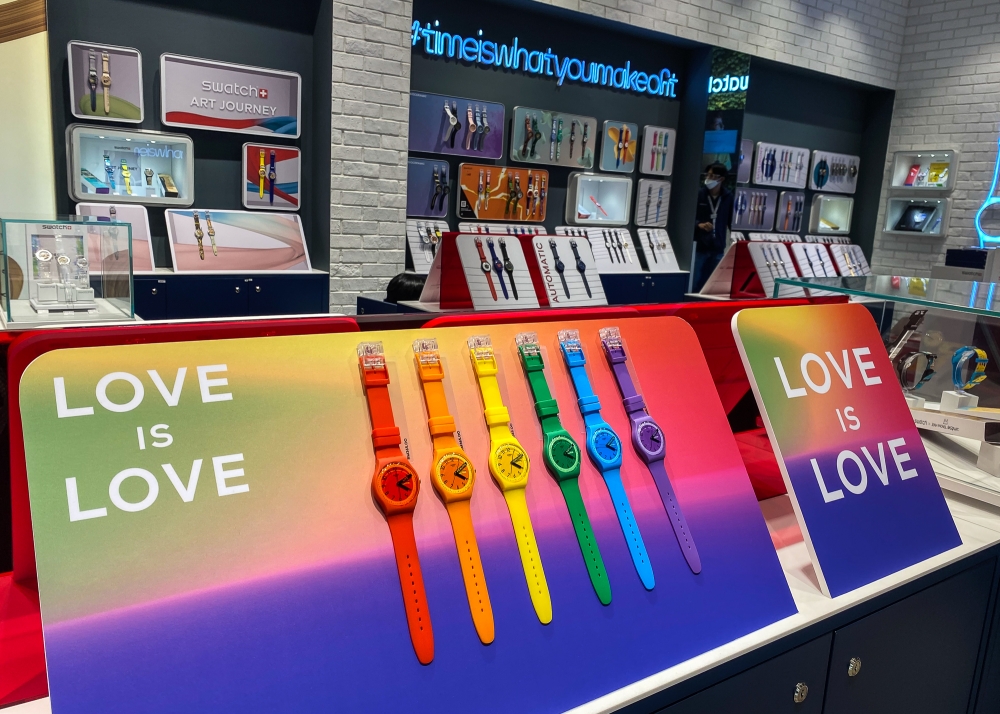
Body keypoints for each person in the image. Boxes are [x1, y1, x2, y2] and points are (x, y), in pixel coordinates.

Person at [692, 162, 734, 292]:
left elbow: (731, 220)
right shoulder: (699, 194)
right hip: (700, 245)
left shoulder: (728, 197)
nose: (708, 178)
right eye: (707, 175)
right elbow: (689, 217)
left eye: (711, 175)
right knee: (695, 278)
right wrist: (699, 224)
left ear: (721, 179)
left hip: (718, 246)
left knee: (714, 281)